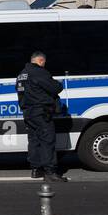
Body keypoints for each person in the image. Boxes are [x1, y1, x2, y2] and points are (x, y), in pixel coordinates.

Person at [16, 50, 67, 182]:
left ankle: (36, 169)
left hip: (28, 112)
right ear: (40, 61)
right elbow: (55, 87)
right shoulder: (39, 72)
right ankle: (50, 171)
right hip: (41, 112)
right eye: (44, 62)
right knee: (47, 140)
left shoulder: (22, 74)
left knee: (34, 140)